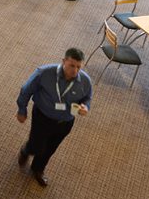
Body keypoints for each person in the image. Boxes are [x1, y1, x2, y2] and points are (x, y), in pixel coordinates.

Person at [16, 48, 92, 187]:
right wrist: (22, 110)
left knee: (50, 148)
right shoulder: (44, 73)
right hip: (42, 117)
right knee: (36, 144)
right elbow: (26, 90)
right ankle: (27, 150)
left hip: (65, 122)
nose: (75, 70)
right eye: (72, 65)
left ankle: (38, 169)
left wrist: (85, 107)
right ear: (64, 61)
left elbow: (87, 97)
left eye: (78, 67)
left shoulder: (85, 81)